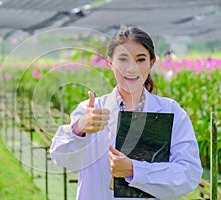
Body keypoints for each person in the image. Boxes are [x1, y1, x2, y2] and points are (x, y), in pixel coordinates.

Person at [50, 26, 203, 200]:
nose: (131, 68)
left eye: (140, 59)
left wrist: (134, 170)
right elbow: (59, 156)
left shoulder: (171, 112)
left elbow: (188, 174)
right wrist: (79, 129)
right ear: (110, 63)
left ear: (151, 63)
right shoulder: (91, 110)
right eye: (123, 59)